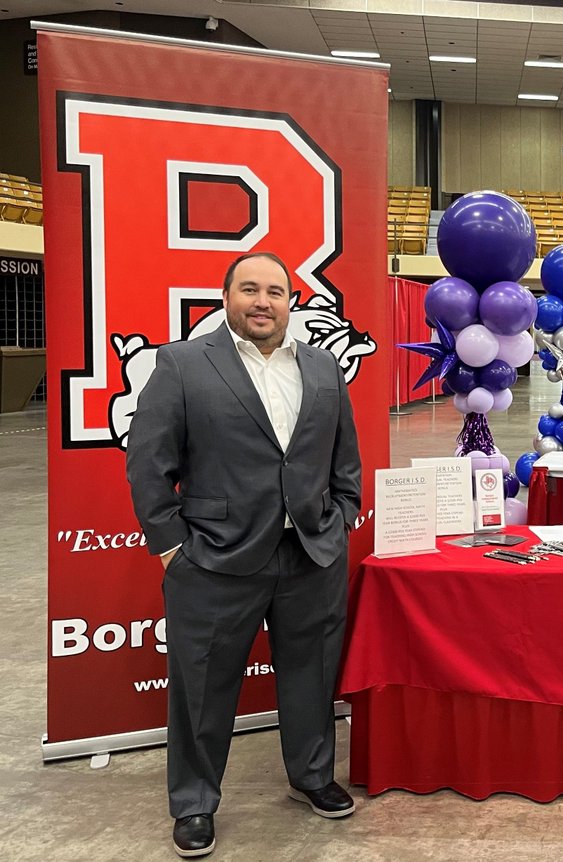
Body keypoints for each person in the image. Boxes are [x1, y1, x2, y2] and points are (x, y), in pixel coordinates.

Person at [126, 251, 362, 858]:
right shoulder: (180, 364)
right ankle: (195, 804)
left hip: (310, 553)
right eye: (250, 289)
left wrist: (340, 519)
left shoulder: (322, 368)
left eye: (276, 291)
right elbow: (149, 465)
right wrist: (173, 548)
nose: (263, 301)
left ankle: (312, 776)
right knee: (202, 688)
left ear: (292, 301)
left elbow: (344, 460)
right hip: (213, 561)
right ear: (226, 297)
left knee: (311, 676)